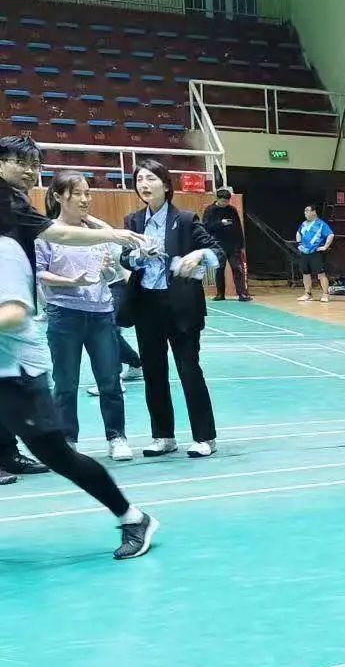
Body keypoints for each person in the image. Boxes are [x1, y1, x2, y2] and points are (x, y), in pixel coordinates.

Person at [0, 135, 146, 486]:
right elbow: (58, 235)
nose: (30, 172)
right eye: (22, 163)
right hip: (49, 311)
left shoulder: (14, 200)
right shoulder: (6, 199)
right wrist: (115, 235)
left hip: (84, 312)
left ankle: (7, 453)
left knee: (9, 381)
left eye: (35, 165)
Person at [0, 234, 157, 557]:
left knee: (58, 456)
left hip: (16, 377)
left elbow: (13, 312)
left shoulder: (5, 251)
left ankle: (133, 518)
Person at [121, 159, 222, 458]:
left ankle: (205, 437)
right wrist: (138, 256)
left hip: (181, 306)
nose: (144, 184)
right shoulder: (133, 221)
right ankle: (163, 436)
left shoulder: (186, 219)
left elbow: (217, 251)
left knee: (189, 370)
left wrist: (199, 255)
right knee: (153, 372)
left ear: (166, 185)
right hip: (146, 304)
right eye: (139, 179)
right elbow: (125, 258)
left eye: (150, 178)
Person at [34, 170, 131, 459]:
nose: (85, 199)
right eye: (77, 193)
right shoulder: (47, 233)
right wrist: (70, 282)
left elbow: (111, 274)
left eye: (87, 193)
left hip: (101, 315)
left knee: (110, 381)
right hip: (64, 315)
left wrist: (107, 270)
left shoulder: (97, 232)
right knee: (66, 383)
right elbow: (39, 273)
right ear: (58, 196)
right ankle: (67, 440)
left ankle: (117, 437)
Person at [202, 187, 249, 301]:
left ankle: (242, 294)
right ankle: (220, 293)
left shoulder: (232, 210)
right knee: (219, 269)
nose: (225, 203)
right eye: (223, 201)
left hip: (233, 245)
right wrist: (220, 223)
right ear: (217, 199)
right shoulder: (210, 210)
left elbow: (238, 227)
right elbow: (206, 226)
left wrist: (241, 244)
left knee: (237, 268)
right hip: (218, 244)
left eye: (227, 201)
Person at [294, 203, 334, 303]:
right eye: (305, 211)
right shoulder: (303, 224)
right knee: (305, 273)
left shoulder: (321, 224)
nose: (305, 213)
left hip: (316, 252)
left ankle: (325, 294)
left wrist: (325, 247)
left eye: (307, 211)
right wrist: (299, 244)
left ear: (314, 212)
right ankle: (307, 294)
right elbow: (298, 233)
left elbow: (330, 235)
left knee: (321, 274)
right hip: (304, 252)